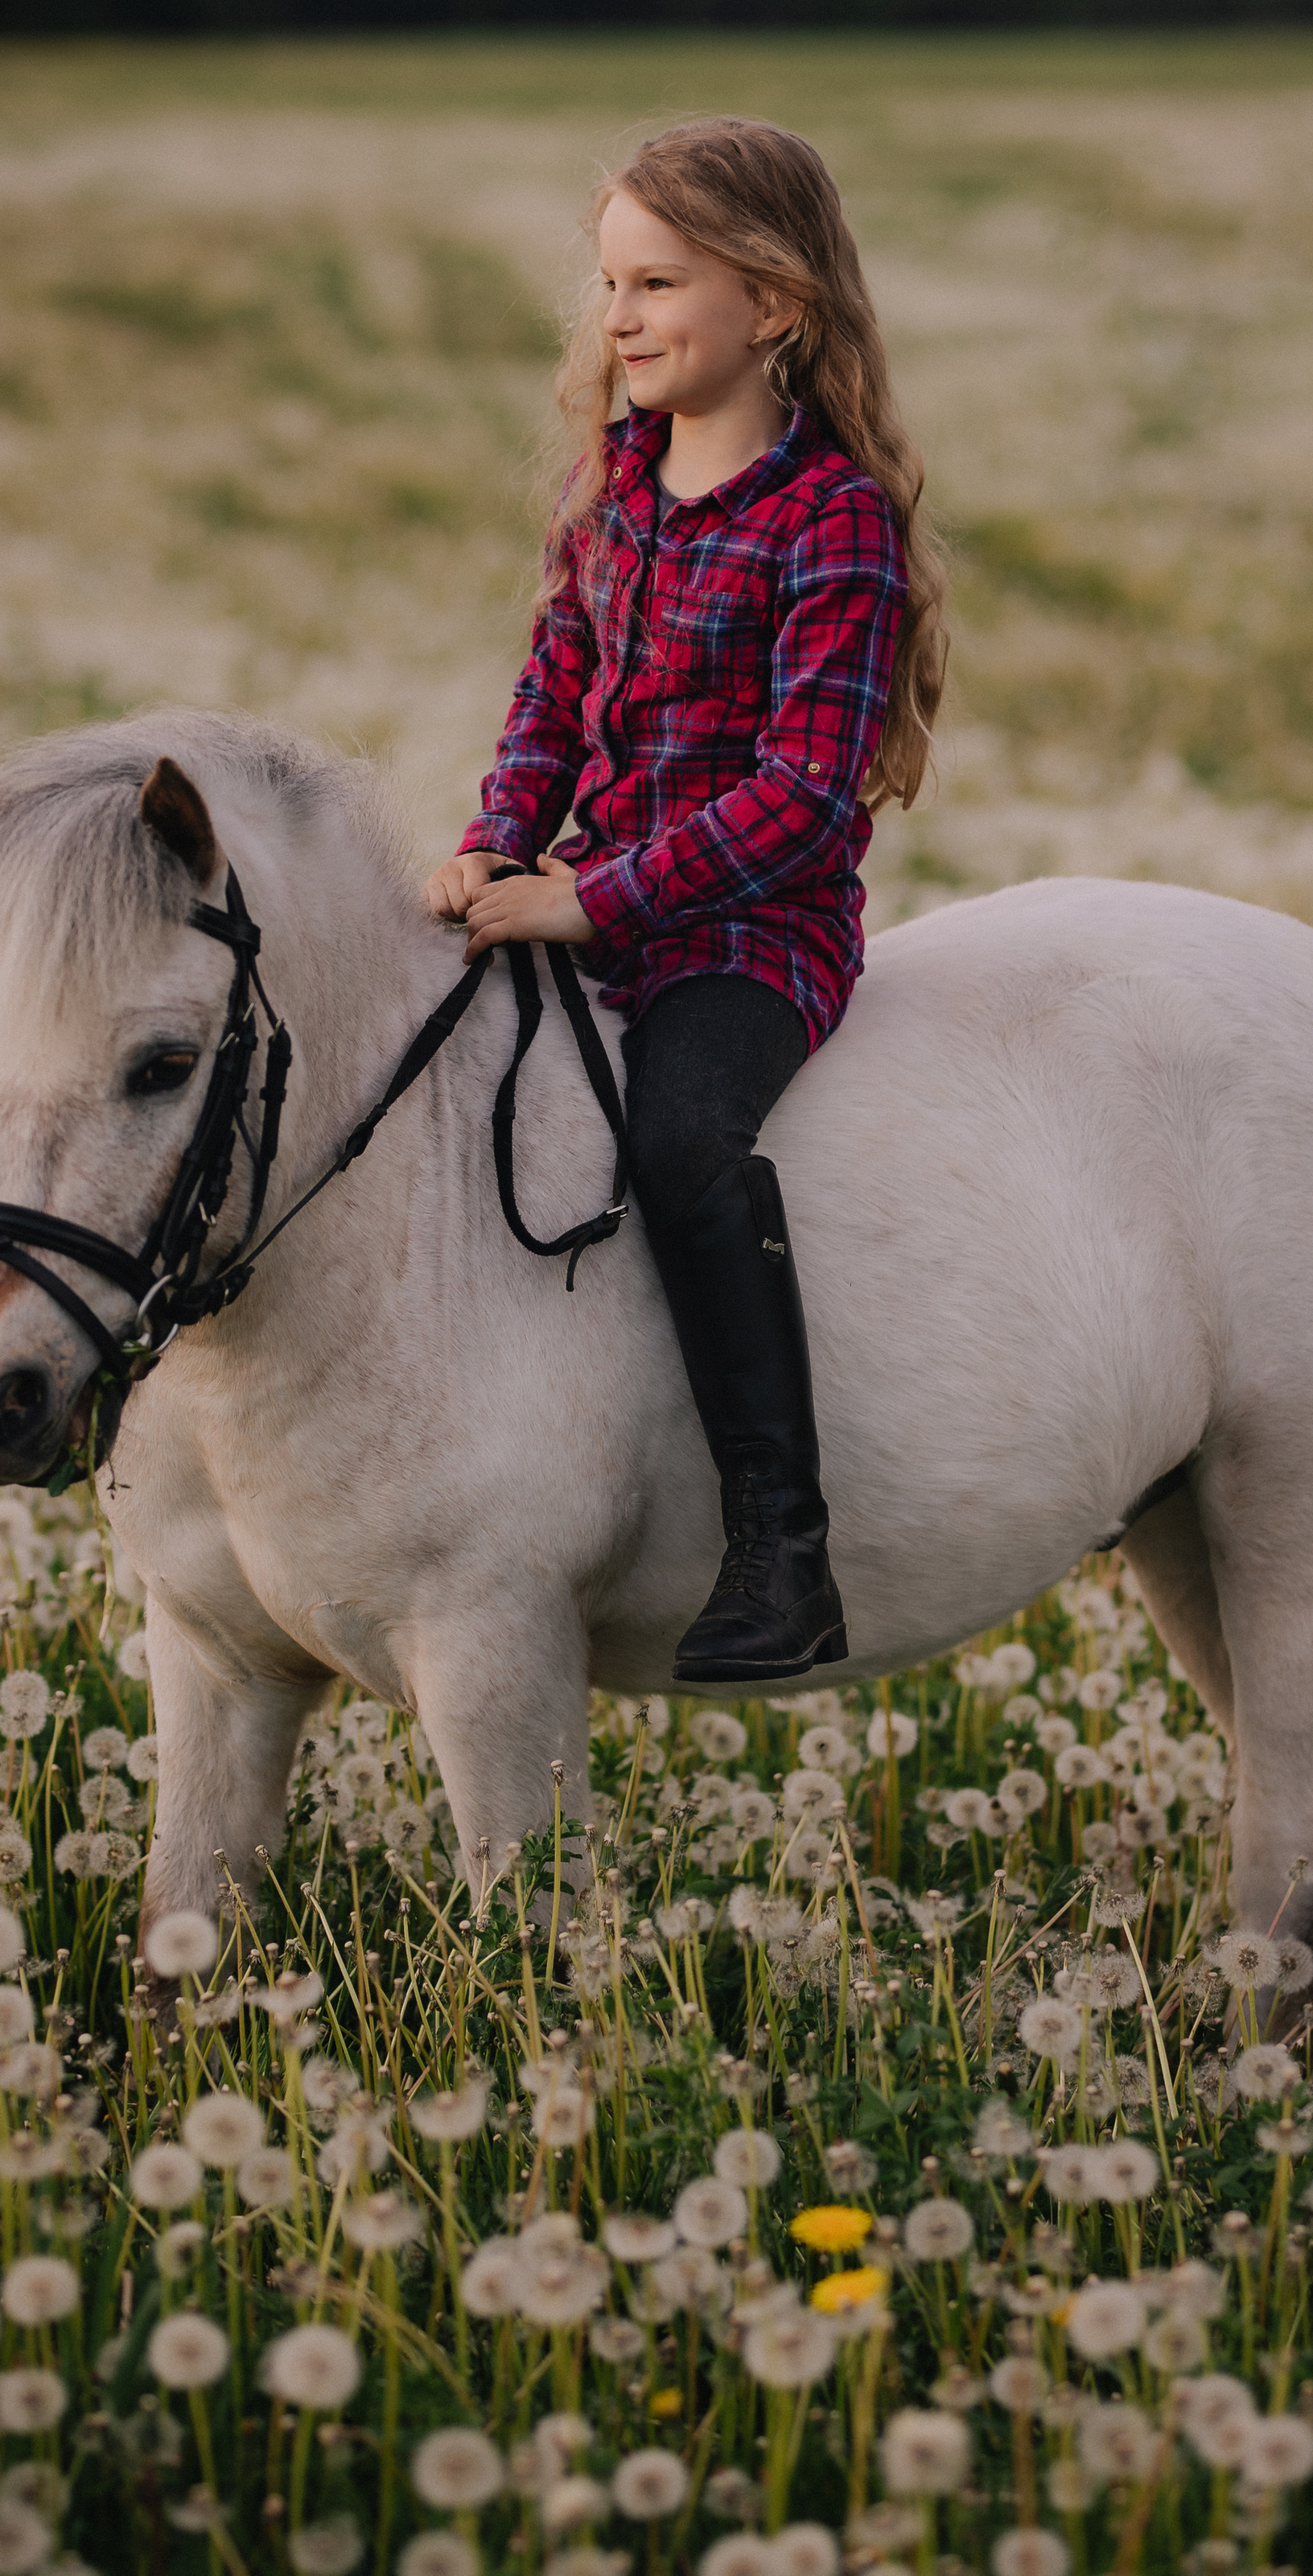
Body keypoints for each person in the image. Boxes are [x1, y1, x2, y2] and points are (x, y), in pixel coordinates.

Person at [423, 117, 947, 1684]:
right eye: (610, 285)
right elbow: (548, 700)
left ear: (772, 303)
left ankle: (783, 1547)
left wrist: (593, 901)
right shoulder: (612, 493)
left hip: (750, 934)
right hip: (591, 893)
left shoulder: (829, 520)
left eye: (656, 283)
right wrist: (496, 843)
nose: (621, 318)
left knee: (678, 1140)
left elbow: (801, 797)